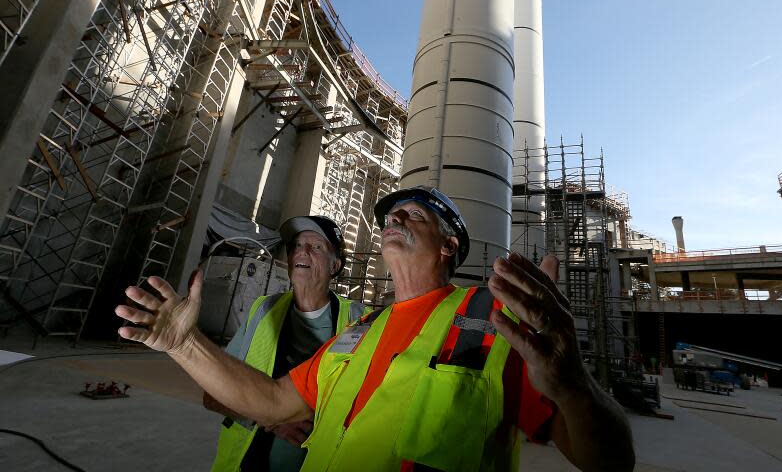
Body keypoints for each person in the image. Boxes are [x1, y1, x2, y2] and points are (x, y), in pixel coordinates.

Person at [116, 186, 635, 471]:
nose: (394, 220)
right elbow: (272, 402)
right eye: (389, 216)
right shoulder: (360, 331)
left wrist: (577, 388)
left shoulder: (490, 323)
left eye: (413, 216)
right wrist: (182, 343)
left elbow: (611, 461)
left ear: (448, 245)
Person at [205, 215, 366, 471]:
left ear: (335, 265)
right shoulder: (263, 310)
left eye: (316, 247)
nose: (302, 251)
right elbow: (213, 394)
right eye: (297, 246)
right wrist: (271, 418)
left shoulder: (359, 321)